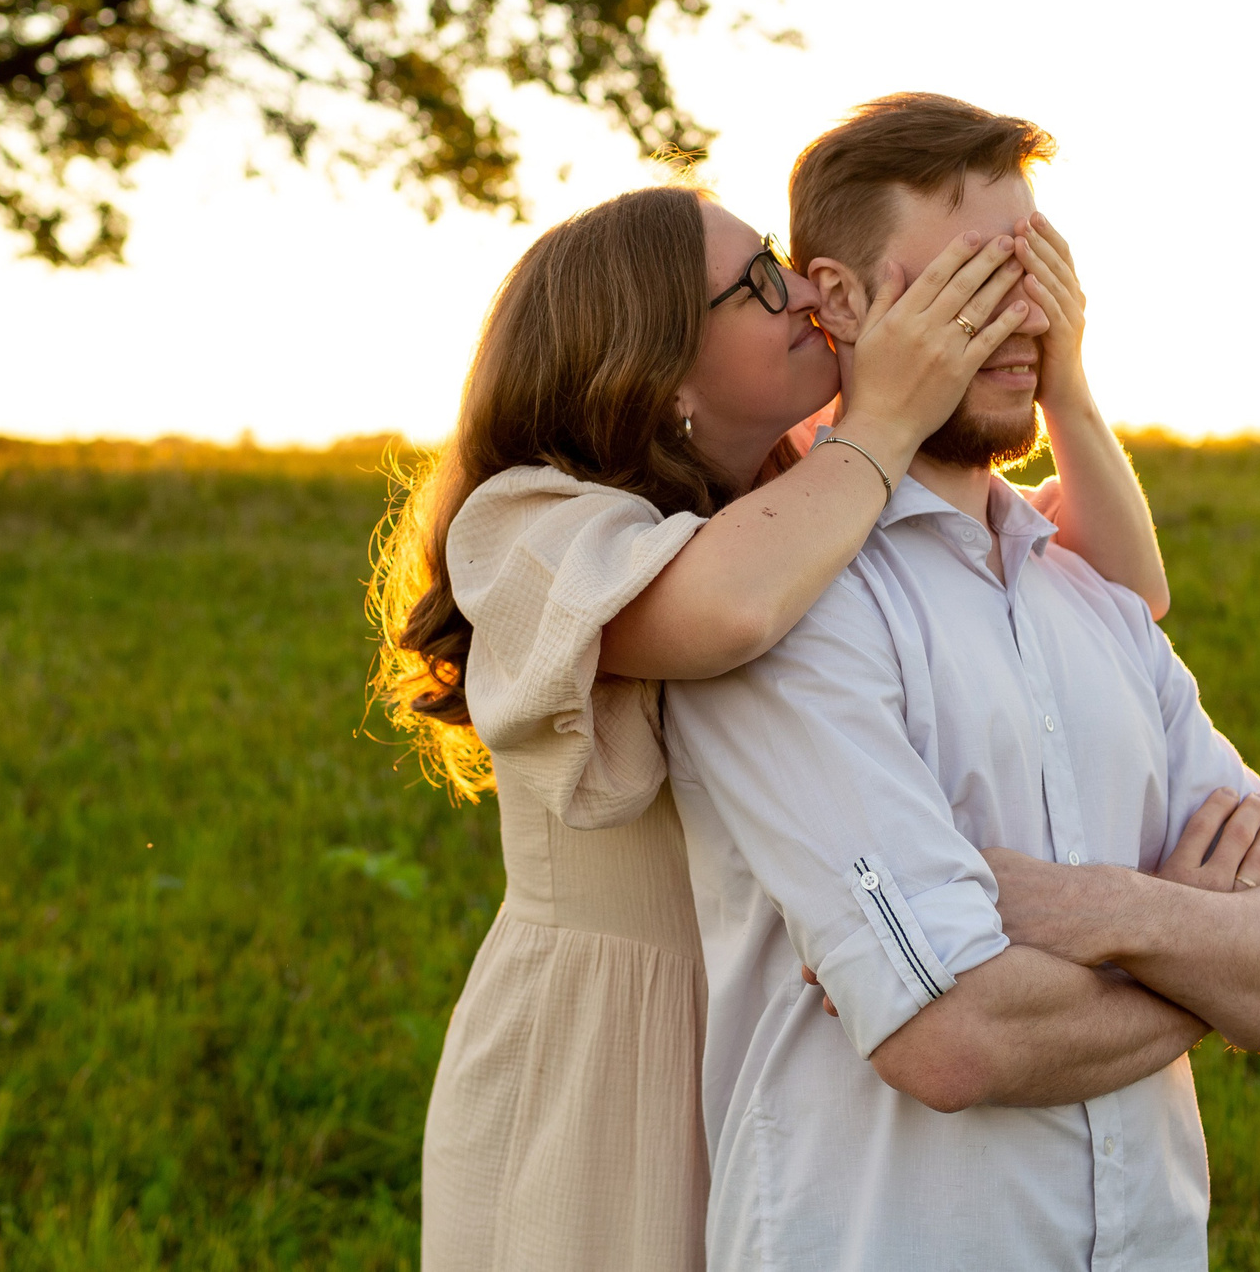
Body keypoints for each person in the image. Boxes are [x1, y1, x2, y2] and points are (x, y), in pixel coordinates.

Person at [368, 148, 1177, 1269]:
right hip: (609, 1063)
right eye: (758, 283)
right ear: (658, 370)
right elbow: (728, 609)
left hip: (782, 1046)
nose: (803, 292)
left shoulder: (800, 490)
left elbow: (1122, 602)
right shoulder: (528, 525)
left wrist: (1066, 390)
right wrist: (884, 419)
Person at [663, 92, 1260, 1271]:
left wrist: (1099, 911)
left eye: (1036, 270)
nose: (1020, 320)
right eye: (965, 284)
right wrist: (1216, 959)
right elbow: (953, 1042)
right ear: (838, 300)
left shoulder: (1090, 599)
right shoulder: (793, 609)